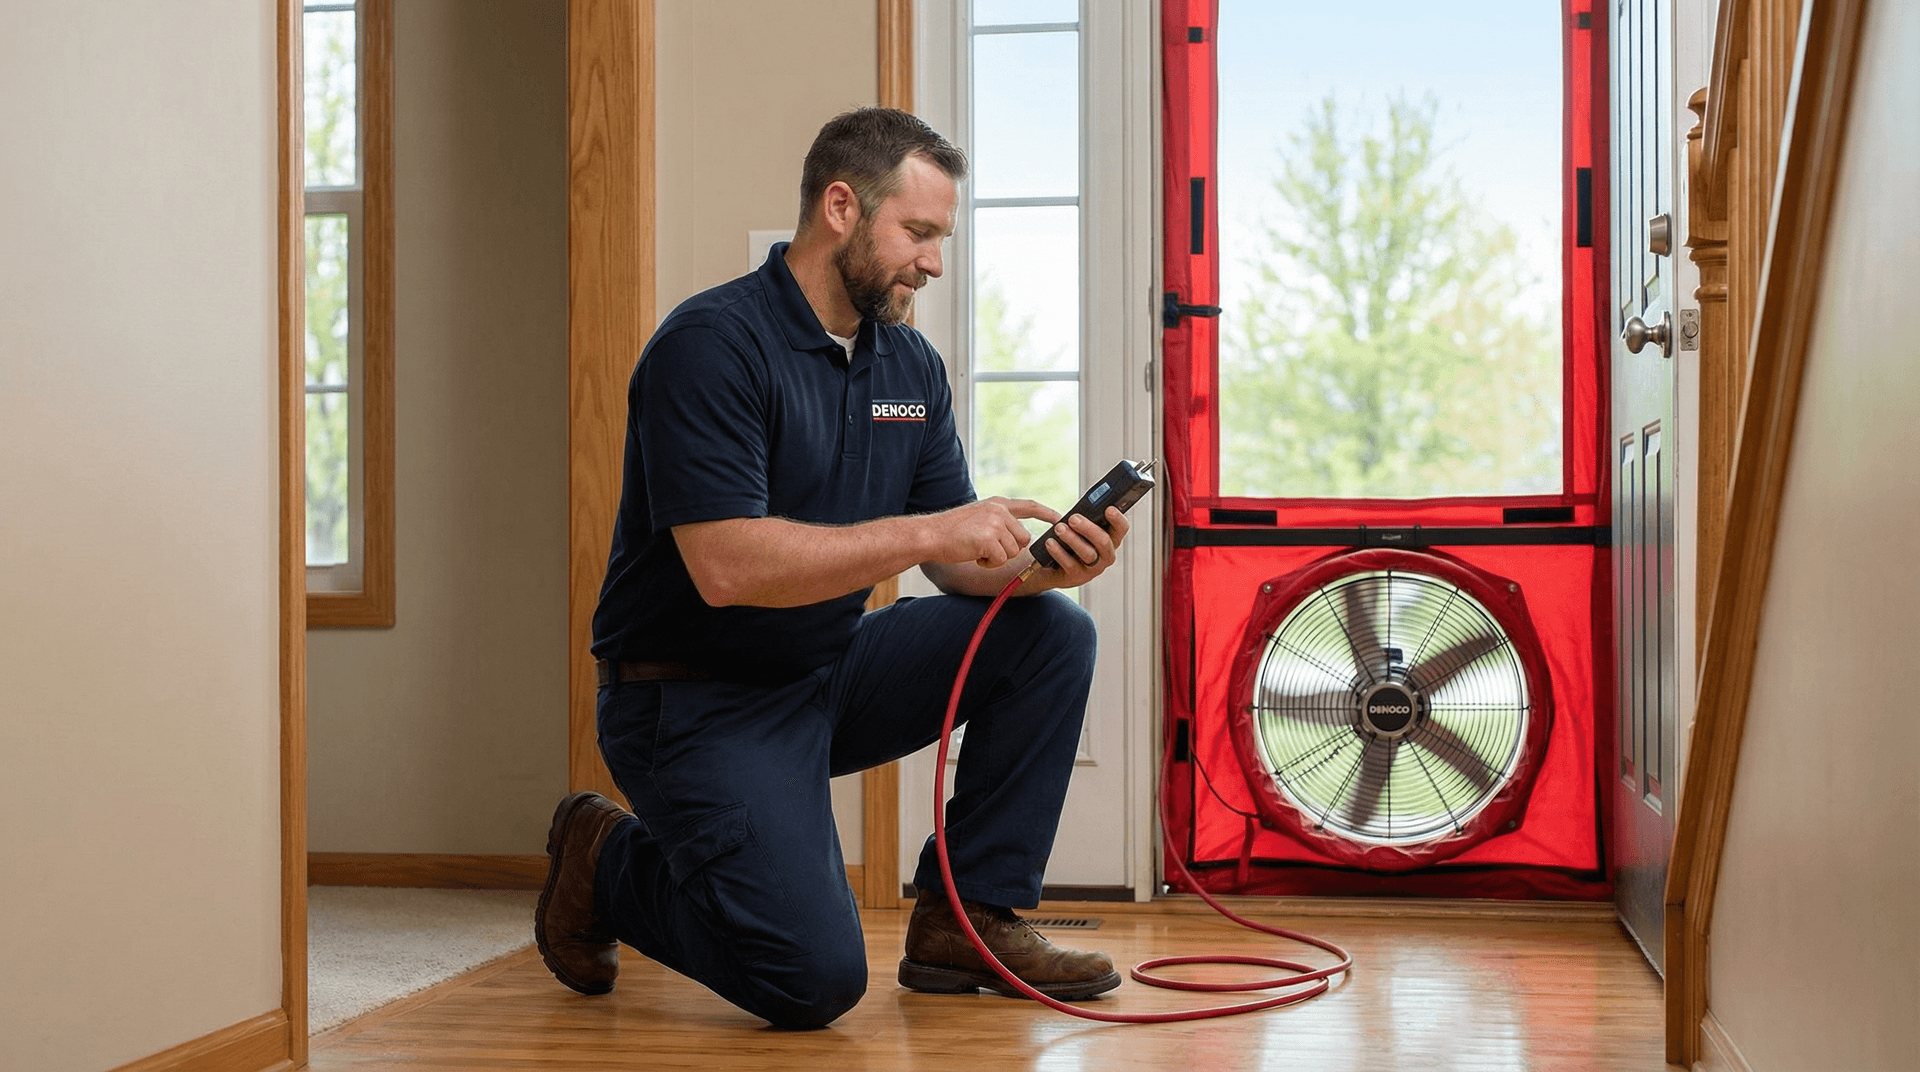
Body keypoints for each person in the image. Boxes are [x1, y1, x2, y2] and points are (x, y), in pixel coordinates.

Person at [534, 107, 1130, 1030]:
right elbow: (727, 566)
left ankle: (962, 922)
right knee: (812, 983)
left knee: (1051, 635)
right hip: (691, 703)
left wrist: (1040, 571)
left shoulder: (909, 366)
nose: (934, 262)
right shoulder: (711, 347)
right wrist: (933, 532)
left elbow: (958, 566)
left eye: (942, 238)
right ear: (841, 207)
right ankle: (605, 858)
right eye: (919, 233)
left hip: (825, 671)